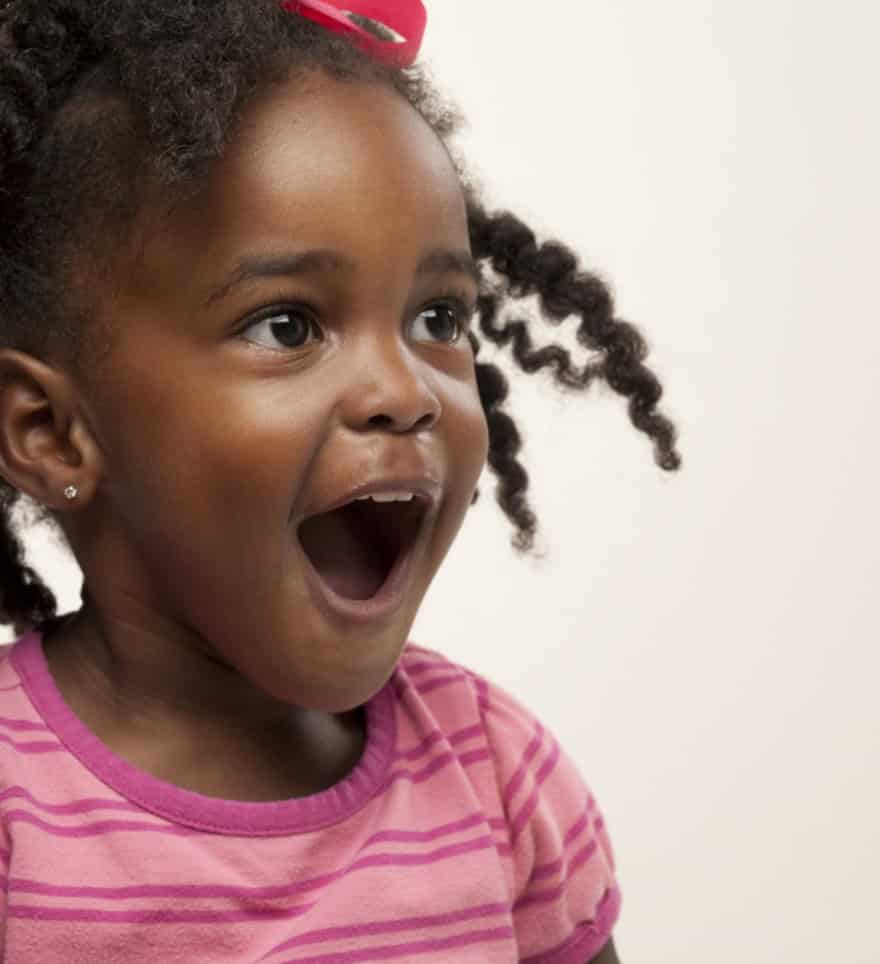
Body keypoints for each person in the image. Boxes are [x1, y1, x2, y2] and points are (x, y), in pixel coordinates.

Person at [0, 0, 682, 960]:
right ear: (52, 432)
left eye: (439, 318)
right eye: (288, 325)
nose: (405, 391)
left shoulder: (494, 775)